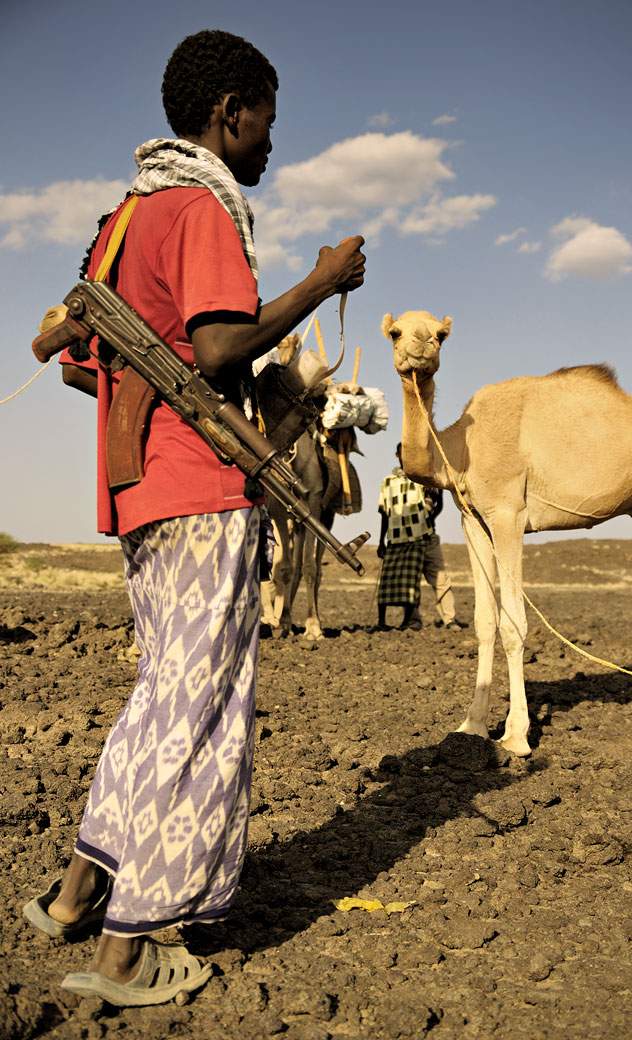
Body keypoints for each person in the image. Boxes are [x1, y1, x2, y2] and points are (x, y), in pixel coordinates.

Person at [22, 29, 365, 1007]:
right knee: (198, 705)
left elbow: (91, 365)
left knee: (159, 690)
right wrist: (319, 283)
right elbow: (216, 346)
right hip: (203, 486)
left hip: (138, 490)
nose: (267, 143)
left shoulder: (122, 221)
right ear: (228, 113)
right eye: (263, 122)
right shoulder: (205, 202)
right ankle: (137, 943)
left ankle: (78, 893)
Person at [376, 443, 430, 630]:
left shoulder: (422, 479)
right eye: (402, 453)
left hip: (417, 537)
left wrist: (428, 525)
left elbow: (436, 502)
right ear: (397, 454)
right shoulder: (388, 482)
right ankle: (381, 622)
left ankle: (407, 621)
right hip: (395, 537)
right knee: (386, 583)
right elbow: (384, 512)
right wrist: (381, 541)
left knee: (410, 584)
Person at [411, 488, 464, 630]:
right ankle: (413, 620)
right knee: (410, 582)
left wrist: (430, 520)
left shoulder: (430, 480)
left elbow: (439, 505)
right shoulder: (400, 483)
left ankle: (449, 618)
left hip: (429, 536)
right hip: (407, 538)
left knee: (441, 580)